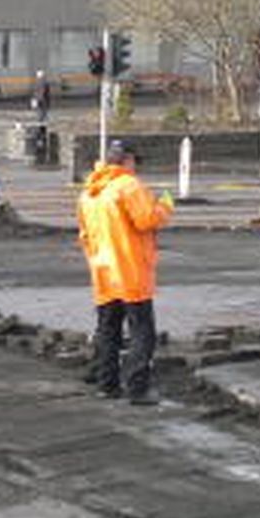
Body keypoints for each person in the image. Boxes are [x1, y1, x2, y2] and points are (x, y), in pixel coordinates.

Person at [76, 140, 174, 404]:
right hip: (130, 271)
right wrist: (165, 206)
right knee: (142, 332)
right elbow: (147, 220)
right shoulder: (129, 186)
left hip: (104, 272)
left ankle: (107, 385)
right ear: (127, 160)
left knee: (108, 330)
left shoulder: (89, 193)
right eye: (135, 161)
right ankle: (137, 389)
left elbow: (84, 236)